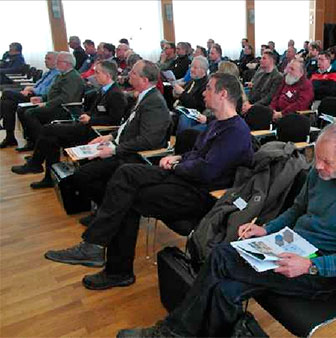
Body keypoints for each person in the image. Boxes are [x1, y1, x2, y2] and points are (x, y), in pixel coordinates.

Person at [116, 121, 336, 337]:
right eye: (317, 157)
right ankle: (179, 333)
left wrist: (309, 266)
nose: (317, 166)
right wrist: (267, 229)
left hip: (320, 268)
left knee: (222, 256)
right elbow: (296, 210)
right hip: (291, 247)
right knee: (226, 290)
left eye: (326, 162)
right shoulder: (321, 173)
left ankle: (170, 332)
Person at [44, 73, 254, 291]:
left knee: (129, 198)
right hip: (184, 177)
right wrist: (179, 158)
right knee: (127, 173)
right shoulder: (217, 124)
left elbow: (207, 170)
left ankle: (111, 263)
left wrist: (176, 165)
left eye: (209, 88)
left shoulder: (236, 131)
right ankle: (97, 248)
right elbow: (198, 154)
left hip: (200, 193)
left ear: (223, 94)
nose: (203, 92)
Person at [68, 60, 171, 226]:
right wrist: (109, 137)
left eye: (134, 73)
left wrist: (115, 150)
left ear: (144, 80)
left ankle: (112, 210)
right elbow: (128, 124)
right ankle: (109, 208)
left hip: (133, 156)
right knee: (83, 163)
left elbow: (149, 140)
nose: (129, 74)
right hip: (121, 146)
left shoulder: (155, 103)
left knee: (83, 175)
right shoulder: (144, 96)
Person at [10, 61, 127, 188]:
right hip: (84, 126)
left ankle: (35, 164)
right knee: (50, 139)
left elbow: (114, 120)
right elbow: (94, 111)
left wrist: (91, 120)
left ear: (107, 75)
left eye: (97, 73)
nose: (95, 75)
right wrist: (85, 115)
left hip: (95, 132)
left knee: (48, 129)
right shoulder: (102, 91)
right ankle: (49, 177)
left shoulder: (116, 94)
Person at [16, 52, 84, 151]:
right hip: (55, 105)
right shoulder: (61, 75)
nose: (56, 64)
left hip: (64, 109)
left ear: (67, 63)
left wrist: (47, 104)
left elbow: (66, 98)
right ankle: (33, 142)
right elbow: (53, 93)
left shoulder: (73, 77)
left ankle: (43, 145)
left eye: (59, 62)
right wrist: (42, 98)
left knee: (30, 113)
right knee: (22, 110)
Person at [0, 52, 60, 148]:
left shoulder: (58, 74)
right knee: (8, 103)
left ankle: (8, 134)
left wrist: (32, 89)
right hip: (31, 94)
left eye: (48, 59)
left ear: (57, 61)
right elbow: (37, 84)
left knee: (7, 93)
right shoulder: (48, 72)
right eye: (45, 58)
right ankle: (10, 136)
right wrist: (28, 88)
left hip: (38, 98)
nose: (45, 61)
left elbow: (47, 91)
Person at [173, 56, 210, 133]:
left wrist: (182, 93)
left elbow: (197, 105)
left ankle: (181, 143)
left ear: (203, 70)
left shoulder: (206, 85)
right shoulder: (192, 81)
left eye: (195, 68)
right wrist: (176, 93)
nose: (191, 70)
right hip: (181, 109)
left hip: (195, 114)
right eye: (191, 67)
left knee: (184, 119)